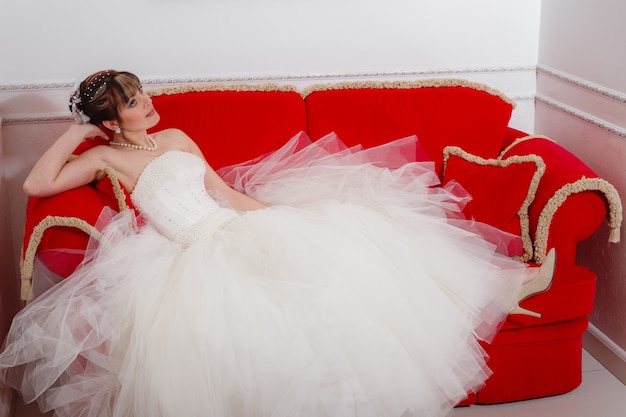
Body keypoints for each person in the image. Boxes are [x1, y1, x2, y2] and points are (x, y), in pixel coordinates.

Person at [0, 70, 555, 417]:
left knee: (349, 234)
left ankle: (502, 283)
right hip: (187, 254)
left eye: (142, 92)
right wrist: (77, 131)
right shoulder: (104, 155)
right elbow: (35, 184)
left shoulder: (175, 136)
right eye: (133, 101)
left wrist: (277, 218)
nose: (148, 102)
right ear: (111, 119)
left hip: (234, 227)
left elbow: (220, 192)